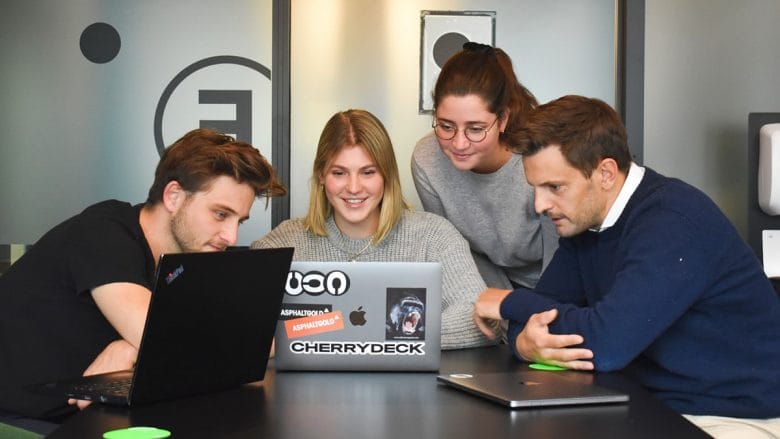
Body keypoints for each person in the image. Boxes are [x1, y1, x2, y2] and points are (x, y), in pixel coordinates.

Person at [473, 95, 780, 437]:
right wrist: (522, 341)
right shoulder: (586, 224)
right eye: (535, 188)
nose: (540, 205)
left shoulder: (673, 221)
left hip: (732, 415)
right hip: (648, 404)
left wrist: (506, 301)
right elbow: (540, 318)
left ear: (605, 173)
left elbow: (605, 344)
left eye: (554, 187)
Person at [0, 128, 286, 423]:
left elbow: (256, 344)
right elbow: (186, 349)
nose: (231, 235)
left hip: (97, 413)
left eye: (239, 220)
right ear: (173, 196)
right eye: (220, 214)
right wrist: (146, 346)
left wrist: (131, 347)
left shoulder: (189, 260)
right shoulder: (102, 232)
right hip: (23, 421)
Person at [252, 109, 493, 349]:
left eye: (368, 172)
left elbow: (482, 320)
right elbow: (237, 321)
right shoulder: (285, 242)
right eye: (339, 173)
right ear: (321, 175)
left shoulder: (434, 236)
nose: (354, 187)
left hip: (407, 388)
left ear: (386, 175)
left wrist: (361, 332)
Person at [411, 42, 557, 291]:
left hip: (558, 282)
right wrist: (502, 308)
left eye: (475, 129)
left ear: (502, 120)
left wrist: (531, 308)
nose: (458, 143)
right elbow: (452, 249)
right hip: (484, 285)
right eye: (446, 126)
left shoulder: (542, 154)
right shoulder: (427, 160)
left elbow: (561, 252)